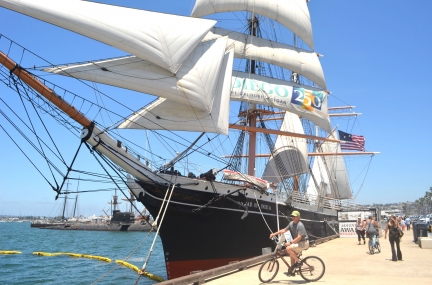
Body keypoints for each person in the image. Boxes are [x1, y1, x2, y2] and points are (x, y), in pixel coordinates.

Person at [269, 210, 309, 276]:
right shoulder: (291, 224)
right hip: (298, 243)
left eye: (294, 216)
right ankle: (292, 270)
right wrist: (274, 234)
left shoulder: (300, 225)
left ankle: (299, 262)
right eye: (292, 216)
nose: (293, 217)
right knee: (291, 254)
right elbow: (284, 230)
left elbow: (299, 237)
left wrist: (290, 243)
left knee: (288, 248)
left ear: (299, 217)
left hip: (303, 243)